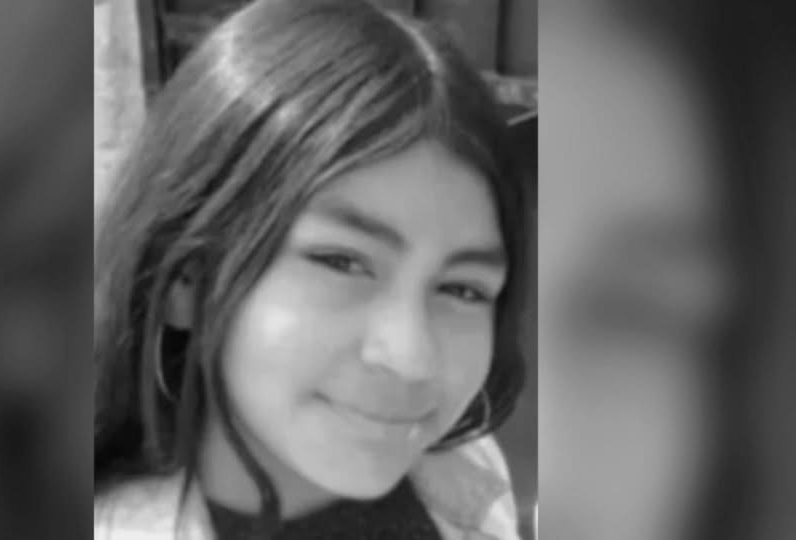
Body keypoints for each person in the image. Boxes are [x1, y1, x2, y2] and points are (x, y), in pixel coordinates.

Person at [94, 0, 530, 538]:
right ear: (187, 277)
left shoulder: (470, 478)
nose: (412, 358)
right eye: (341, 262)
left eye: (462, 290)